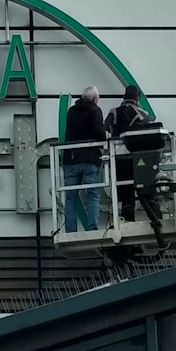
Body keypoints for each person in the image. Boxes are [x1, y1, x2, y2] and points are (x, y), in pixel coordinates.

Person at [105, 84, 167, 247]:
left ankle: (128, 221)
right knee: (148, 192)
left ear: (125, 96)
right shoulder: (144, 114)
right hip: (141, 159)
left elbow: (107, 128)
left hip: (120, 158)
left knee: (126, 194)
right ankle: (157, 219)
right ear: (138, 98)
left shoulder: (114, 112)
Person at [61, 87, 108, 232]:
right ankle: (92, 228)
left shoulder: (71, 112)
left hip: (71, 158)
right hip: (89, 158)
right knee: (93, 195)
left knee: (70, 197)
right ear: (94, 99)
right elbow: (99, 133)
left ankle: (70, 230)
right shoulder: (95, 110)